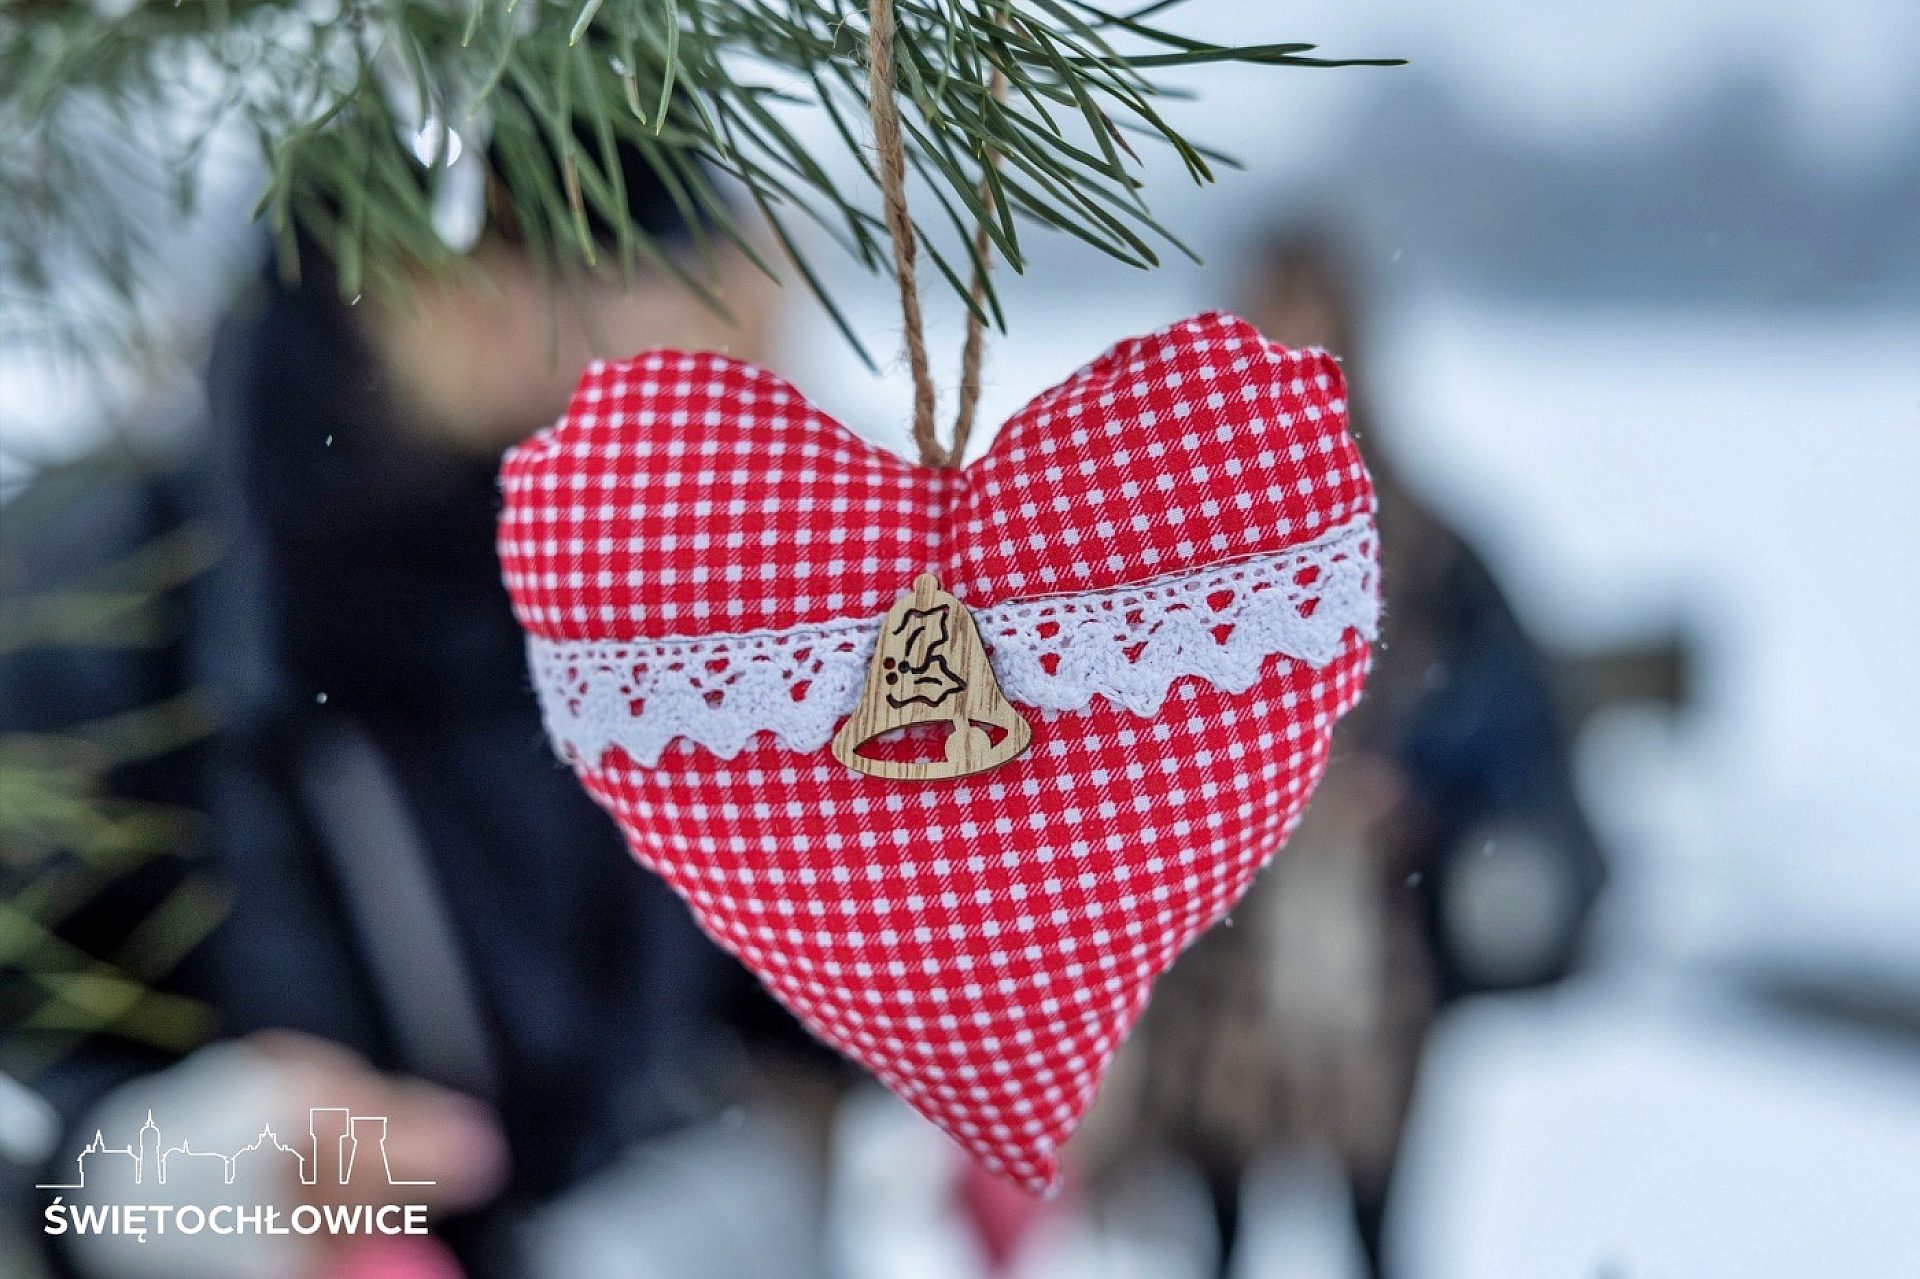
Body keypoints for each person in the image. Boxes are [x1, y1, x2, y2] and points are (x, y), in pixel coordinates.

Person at [2, 126, 814, 1278]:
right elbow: (34, 1091)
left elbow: (759, 994)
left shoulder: (694, 564)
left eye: (664, 276)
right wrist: (163, 1183)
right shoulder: (98, 590)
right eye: (555, 261)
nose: (626, 330)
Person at [1079, 229, 1610, 1279]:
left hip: (1373, 929)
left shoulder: (1420, 537)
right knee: (1217, 1218)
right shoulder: (1176, 527)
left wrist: (1407, 777)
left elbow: (1507, 717)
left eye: (1311, 323)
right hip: (1221, 937)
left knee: (1374, 1222)